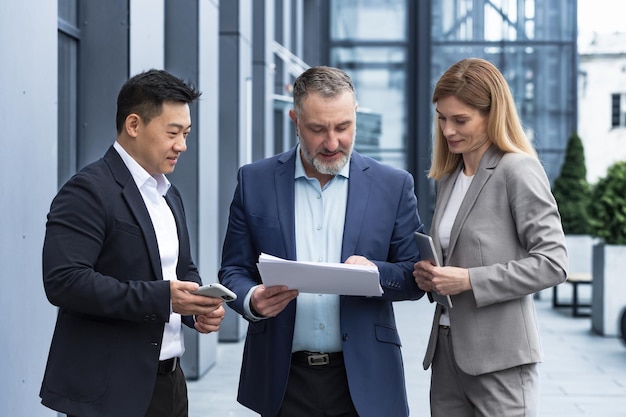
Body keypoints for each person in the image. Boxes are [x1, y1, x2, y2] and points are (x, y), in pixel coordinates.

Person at [219, 66, 425, 417]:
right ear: (295, 120)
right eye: (317, 129)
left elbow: (414, 277)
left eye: (343, 127)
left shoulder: (393, 185)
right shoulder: (255, 181)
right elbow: (233, 270)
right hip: (282, 381)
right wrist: (252, 300)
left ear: (355, 115)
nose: (332, 143)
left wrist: (375, 272)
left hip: (366, 380)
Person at [40, 69, 226, 417]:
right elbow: (64, 281)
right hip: (109, 391)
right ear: (134, 125)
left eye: (186, 134)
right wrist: (164, 297)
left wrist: (198, 305)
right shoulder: (88, 190)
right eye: (173, 133)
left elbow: (180, 270)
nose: (182, 146)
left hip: (170, 385)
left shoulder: (169, 195)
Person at [413, 58, 568, 417]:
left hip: (501, 362)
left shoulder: (518, 170)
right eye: (441, 117)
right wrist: (432, 277)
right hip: (447, 354)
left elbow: (553, 263)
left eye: (460, 120)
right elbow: (456, 259)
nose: (448, 129)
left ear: (491, 114)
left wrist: (469, 280)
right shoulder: (450, 177)